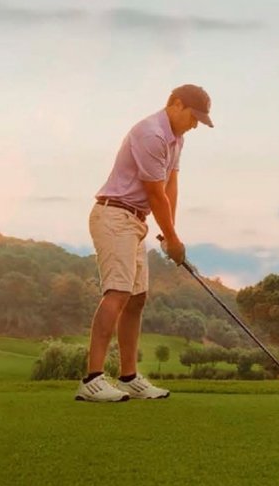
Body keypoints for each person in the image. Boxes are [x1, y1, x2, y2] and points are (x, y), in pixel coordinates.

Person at [76, 84, 213, 402]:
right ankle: (92, 379)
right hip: (114, 216)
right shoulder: (151, 133)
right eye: (193, 117)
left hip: (135, 221)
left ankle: (128, 377)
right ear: (176, 105)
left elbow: (170, 186)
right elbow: (154, 193)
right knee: (118, 292)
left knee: (137, 298)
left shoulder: (176, 140)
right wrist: (175, 240)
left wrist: (169, 234)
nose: (195, 125)